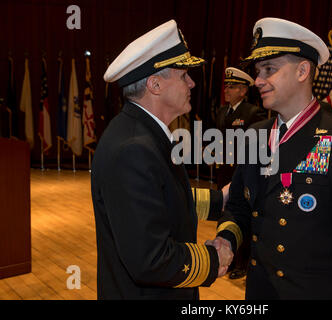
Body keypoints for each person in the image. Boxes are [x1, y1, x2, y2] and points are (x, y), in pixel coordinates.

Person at [211, 17, 332, 300]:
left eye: (269, 69)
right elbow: (240, 207)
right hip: (259, 290)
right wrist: (227, 240)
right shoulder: (255, 135)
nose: (257, 81)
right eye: (257, 71)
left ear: (303, 70)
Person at [91, 19, 233, 300]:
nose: (192, 82)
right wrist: (214, 260)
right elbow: (151, 259)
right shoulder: (133, 148)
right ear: (155, 84)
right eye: (183, 76)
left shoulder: (143, 133)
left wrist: (221, 200)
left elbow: (160, 199)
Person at [215, 67, 265, 280]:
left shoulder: (252, 113)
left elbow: (256, 147)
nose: (227, 90)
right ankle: (228, 256)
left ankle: (242, 263)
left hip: (241, 171)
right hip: (223, 171)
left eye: (232, 86)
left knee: (243, 215)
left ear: (244, 91)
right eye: (226, 86)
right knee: (227, 215)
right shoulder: (221, 111)